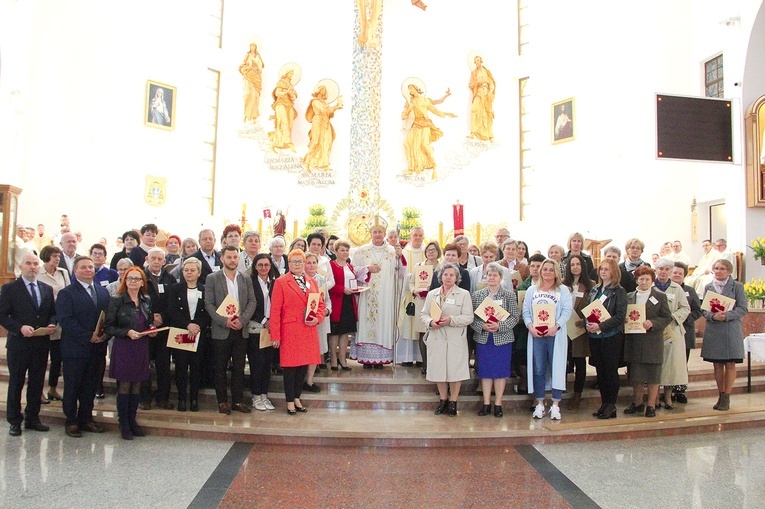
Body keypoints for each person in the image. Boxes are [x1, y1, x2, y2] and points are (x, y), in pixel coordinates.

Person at [0, 253, 56, 437]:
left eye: (35, 264)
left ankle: (33, 418)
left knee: (37, 382)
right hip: (19, 344)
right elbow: (2, 315)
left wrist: (51, 324)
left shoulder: (46, 289)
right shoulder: (10, 289)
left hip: (40, 344)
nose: (32, 267)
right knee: (16, 383)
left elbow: (52, 313)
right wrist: (19, 327)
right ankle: (14, 421)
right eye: (28, 264)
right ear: (21, 267)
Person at [56, 256, 110, 437]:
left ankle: (86, 418)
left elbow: (107, 317)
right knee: (73, 386)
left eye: (91, 267)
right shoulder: (67, 293)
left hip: (97, 349)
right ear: (75, 271)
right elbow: (66, 320)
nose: (88, 270)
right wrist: (89, 336)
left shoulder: (103, 292)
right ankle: (71, 420)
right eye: (83, 267)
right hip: (75, 349)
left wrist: (103, 334)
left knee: (90, 386)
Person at [270, 249, 326, 415]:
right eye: (294, 262)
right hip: (290, 331)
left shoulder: (311, 281)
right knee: (290, 368)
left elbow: (320, 305)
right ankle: (289, 401)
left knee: (303, 366)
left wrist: (318, 318)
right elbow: (275, 310)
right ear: (289, 263)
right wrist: (275, 335)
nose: (297, 264)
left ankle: (297, 397)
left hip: (308, 329)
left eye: (300, 261)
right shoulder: (281, 282)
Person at [104, 266, 155, 440]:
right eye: (130, 278)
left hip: (141, 345)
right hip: (124, 346)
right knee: (125, 385)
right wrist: (126, 332)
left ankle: (133, 420)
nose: (133, 282)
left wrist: (152, 329)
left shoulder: (146, 300)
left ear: (142, 282)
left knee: (137, 385)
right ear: (125, 281)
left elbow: (148, 321)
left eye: (137, 279)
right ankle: (123, 423)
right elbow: (108, 326)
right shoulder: (117, 299)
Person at [204, 246, 257, 414]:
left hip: (241, 330)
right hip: (221, 330)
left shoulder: (245, 278)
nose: (233, 260)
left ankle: (238, 401)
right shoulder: (212, 278)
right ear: (222, 259)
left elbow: (252, 302)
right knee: (220, 368)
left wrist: (242, 320)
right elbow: (209, 304)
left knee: (239, 367)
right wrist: (224, 321)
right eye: (229, 257)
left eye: (235, 257)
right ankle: (222, 402)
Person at [421, 263, 473, 416]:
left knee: (455, 371)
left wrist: (451, 320)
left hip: (455, 338)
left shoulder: (463, 294)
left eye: (451, 275)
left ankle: (453, 402)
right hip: (436, 337)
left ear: (457, 278)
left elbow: (469, 317)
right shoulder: (432, 294)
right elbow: (424, 314)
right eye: (445, 274)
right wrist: (431, 322)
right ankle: (443, 400)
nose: (448, 277)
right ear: (440, 277)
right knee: (438, 370)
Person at [523, 259, 572, 420]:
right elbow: (526, 311)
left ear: (556, 272)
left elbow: (566, 311)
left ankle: (556, 404)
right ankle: (539, 403)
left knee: (556, 367)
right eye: (545, 269)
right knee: (538, 369)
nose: (547, 272)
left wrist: (556, 326)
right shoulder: (532, 290)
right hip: (537, 335)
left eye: (551, 270)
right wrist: (531, 327)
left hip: (554, 335)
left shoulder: (563, 290)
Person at [351, 216, 402, 369]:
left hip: (386, 298)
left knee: (383, 324)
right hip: (366, 296)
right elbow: (352, 270)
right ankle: (366, 358)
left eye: (380, 232)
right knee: (366, 324)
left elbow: (401, 273)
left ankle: (380, 359)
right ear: (370, 233)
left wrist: (400, 258)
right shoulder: (361, 251)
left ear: (385, 233)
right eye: (375, 232)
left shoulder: (393, 252)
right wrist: (367, 269)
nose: (378, 234)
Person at [470, 262, 520, 417]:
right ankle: (486, 403)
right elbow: (472, 318)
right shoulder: (477, 295)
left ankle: (498, 404)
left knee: (500, 372)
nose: (491, 277)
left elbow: (515, 317)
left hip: (502, 339)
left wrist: (500, 326)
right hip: (484, 339)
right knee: (485, 372)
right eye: (489, 275)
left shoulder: (509, 295)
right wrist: (482, 326)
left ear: (501, 278)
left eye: (495, 275)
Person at [623, 266, 672, 418]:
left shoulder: (660, 296)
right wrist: (624, 320)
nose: (644, 282)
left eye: (647, 279)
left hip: (652, 341)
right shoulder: (629, 296)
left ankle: (650, 405)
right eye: (641, 279)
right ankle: (637, 403)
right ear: (636, 280)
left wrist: (653, 323)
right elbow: (622, 314)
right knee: (635, 375)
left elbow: (666, 317)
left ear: (652, 280)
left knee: (653, 375)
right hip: (634, 340)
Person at [700, 259, 748, 411]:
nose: (719, 271)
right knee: (717, 364)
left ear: (729, 271)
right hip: (714, 329)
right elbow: (704, 309)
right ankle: (720, 393)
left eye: (722, 268)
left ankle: (727, 395)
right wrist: (713, 316)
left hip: (730, 329)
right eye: (716, 268)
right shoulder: (708, 287)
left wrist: (726, 315)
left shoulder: (737, 286)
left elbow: (743, 308)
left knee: (730, 363)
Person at [166, 257, 211, 412]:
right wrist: (187, 324)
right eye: (186, 270)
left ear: (199, 272)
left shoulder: (205, 289)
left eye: (192, 270)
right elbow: (171, 310)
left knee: (196, 367)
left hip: (198, 334)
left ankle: (194, 399)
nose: (189, 273)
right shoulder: (174, 288)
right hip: (181, 333)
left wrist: (197, 326)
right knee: (181, 367)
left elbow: (208, 311)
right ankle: (181, 399)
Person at [586, 258, 628, 419]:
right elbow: (588, 309)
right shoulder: (595, 290)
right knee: (600, 371)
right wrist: (588, 324)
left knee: (610, 371)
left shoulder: (619, 291)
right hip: (595, 336)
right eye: (601, 269)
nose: (603, 272)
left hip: (611, 336)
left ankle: (611, 404)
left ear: (614, 272)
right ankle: (604, 403)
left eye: (607, 269)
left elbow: (619, 316)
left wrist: (601, 326)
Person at [140, 247, 177, 410]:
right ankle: (145, 398)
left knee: (163, 366)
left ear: (164, 261)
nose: (156, 262)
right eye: (153, 258)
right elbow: (136, 300)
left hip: (164, 328)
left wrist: (162, 317)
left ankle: (163, 398)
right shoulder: (139, 277)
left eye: (159, 259)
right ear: (147, 259)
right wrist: (150, 318)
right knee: (144, 365)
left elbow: (174, 302)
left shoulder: (170, 279)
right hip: (145, 329)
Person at [652, 258, 690, 409]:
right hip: (654, 330)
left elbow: (685, 308)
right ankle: (654, 398)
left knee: (671, 365)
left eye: (667, 269)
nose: (663, 271)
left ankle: (668, 397)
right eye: (661, 268)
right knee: (655, 364)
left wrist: (672, 318)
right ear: (656, 270)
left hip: (673, 330)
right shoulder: (650, 286)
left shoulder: (677, 288)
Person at [400, 241, 441, 371]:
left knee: (436, 333)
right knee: (423, 334)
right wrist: (414, 291)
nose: (430, 252)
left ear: (438, 252)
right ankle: (425, 364)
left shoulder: (443, 267)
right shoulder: (419, 266)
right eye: (428, 250)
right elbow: (411, 283)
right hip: (421, 302)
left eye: (433, 250)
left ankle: (435, 363)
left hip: (438, 303)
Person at [37, 246, 71, 403]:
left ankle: (52, 388)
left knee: (57, 358)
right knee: (40, 359)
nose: (57, 259)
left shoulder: (63, 273)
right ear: (46, 257)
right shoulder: (38, 273)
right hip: (43, 319)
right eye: (54, 256)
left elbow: (68, 291)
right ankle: (38, 391)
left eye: (58, 256)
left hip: (60, 318)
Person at [402, 84, 456, 178]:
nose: (410, 91)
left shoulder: (425, 100)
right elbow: (403, 116)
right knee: (407, 144)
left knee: (424, 145)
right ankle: (411, 168)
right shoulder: (409, 101)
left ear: (416, 88)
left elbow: (434, 109)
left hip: (425, 126)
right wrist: (409, 108)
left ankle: (434, 164)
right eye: (409, 89)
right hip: (415, 126)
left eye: (411, 88)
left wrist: (446, 113)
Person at [562, 254, 593, 410]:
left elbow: (596, 307)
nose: (575, 267)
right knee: (564, 361)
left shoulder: (591, 285)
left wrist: (586, 321)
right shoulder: (562, 285)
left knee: (580, 363)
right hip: (563, 329)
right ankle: (560, 391)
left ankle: (577, 395)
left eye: (578, 264)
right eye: (572, 264)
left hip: (580, 328)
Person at [671, 262, 703, 404]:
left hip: (685, 330)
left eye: (680, 273)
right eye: (675, 272)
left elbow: (697, 309)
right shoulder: (665, 290)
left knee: (683, 362)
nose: (677, 275)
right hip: (668, 330)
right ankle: (666, 390)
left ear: (684, 275)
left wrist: (684, 317)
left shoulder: (690, 290)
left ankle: (680, 390)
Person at [248, 254, 276, 411]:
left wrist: (273, 321)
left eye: (266, 265)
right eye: (260, 265)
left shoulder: (274, 283)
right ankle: (256, 396)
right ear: (255, 267)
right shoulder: (250, 282)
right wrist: (264, 320)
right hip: (256, 328)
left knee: (267, 363)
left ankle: (264, 395)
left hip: (272, 328)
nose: (264, 268)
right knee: (257, 363)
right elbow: (248, 304)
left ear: (270, 266)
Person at [515, 253, 547, 397]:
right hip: (525, 327)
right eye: (532, 266)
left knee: (539, 359)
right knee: (523, 356)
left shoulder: (549, 286)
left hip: (544, 328)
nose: (535, 269)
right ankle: (525, 381)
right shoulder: (523, 285)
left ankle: (539, 387)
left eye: (538, 266)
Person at [89, 243, 118, 399]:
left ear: (105, 257)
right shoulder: (84, 273)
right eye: (95, 253)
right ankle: (95, 385)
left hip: (108, 319)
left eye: (100, 254)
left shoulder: (111, 274)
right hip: (91, 323)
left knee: (102, 356)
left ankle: (99, 386)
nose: (97, 256)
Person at [327, 240, 360, 371]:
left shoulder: (350, 266)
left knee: (345, 332)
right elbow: (329, 284)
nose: (345, 252)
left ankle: (342, 358)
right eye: (342, 250)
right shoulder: (332, 265)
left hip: (348, 301)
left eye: (347, 250)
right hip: (337, 300)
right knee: (335, 332)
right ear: (336, 251)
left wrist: (356, 289)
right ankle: (333, 358)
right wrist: (342, 289)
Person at [397, 227, 426, 366]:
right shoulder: (403, 253)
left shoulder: (427, 253)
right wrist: (411, 280)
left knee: (421, 325)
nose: (418, 238)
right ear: (410, 236)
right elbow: (398, 274)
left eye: (420, 235)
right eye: (415, 235)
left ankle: (421, 358)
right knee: (407, 326)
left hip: (423, 297)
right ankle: (407, 357)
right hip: (407, 295)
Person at [302, 252, 331, 392]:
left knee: (315, 351)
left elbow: (327, 300)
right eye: (308, 262)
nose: (311, 265)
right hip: (302, 321)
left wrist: (326, 311)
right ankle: (300, 379)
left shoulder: (321, 280)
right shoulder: (299, 279)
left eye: (314, 262)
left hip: (318, 320)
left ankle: (310, 380)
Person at [303, 84, 343, 171]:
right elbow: (323, 111)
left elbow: (329, 114)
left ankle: (325, 165)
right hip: (318, 121)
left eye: (325, 90)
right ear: (318, 91)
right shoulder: (315, 101)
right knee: (316, 142)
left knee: (327, 143)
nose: (324, 91)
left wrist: (336, 107)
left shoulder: (325, 103)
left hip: (326, 122)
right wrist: (335, 107)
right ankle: (307, 163)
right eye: (322, 89)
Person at [268, 70, 298, 151]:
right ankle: (288, 142)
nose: (291, 75)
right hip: (280, 103)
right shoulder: (281, 82)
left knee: (290, 124)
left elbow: (294, 97)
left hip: (289, 105)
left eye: (292, 73)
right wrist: (286, 92)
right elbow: (277, 93)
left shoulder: (291, 85)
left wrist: (290, 93)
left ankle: (281, 142)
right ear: (286, 73)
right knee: (283, 122)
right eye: (290, 73)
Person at [468, 55, 496, 141]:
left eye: (478, 61)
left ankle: (490, 135)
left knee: (488, 113)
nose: (477, 62)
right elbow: (470, 85)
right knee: (474, 110)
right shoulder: (473, 73)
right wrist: (476, 82)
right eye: (475, 61)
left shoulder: (486, 72)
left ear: (481, 61)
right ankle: (473, 132)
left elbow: (491, 83)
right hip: (479, 92)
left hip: (487, 94)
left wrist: (490, 91)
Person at [239, 43, 265, 122]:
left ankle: (254, 116)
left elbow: (260, 69)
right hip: (248, 76)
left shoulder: (258, 57)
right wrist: (245, 69)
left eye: (254, 46)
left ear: (256, 47)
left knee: (255, 96)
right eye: (251, 46)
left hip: (256, 78)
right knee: (247, 94)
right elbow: (242, 66)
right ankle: (246, 115)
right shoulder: (247, 56)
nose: (252, 47)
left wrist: (256, 64)